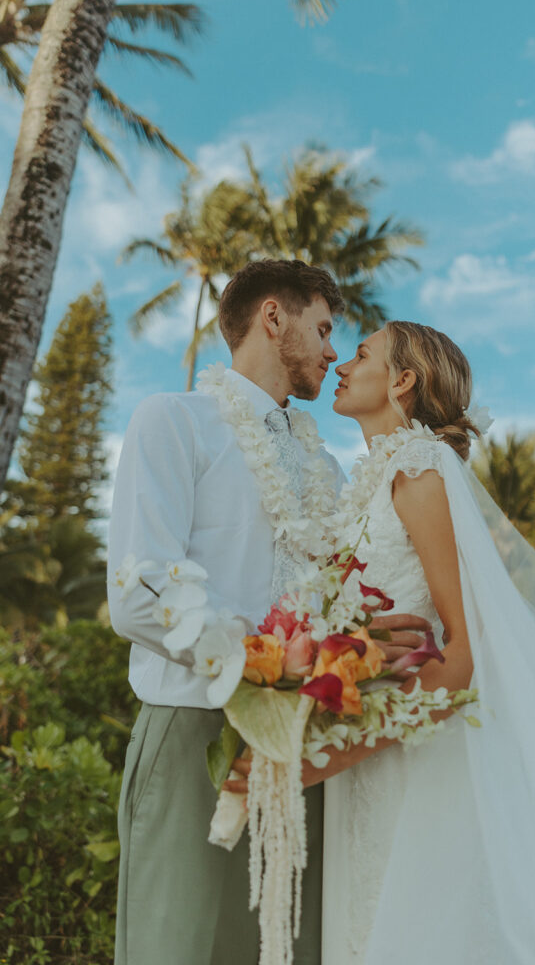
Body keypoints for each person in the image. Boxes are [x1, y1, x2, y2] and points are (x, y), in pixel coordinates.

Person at [231, 320, 535, 963]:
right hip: (369, 756)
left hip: (414, 765)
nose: (342, 365)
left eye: (360, 355)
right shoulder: (367, 485)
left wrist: (320, 760)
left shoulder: (420, 472)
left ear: (402, 381)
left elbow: (464, 655)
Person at [107, 263, 430, 965]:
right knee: (174, 944)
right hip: (193, 729)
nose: (331, 352)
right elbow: (138, 592)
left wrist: (352, 650)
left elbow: (333, 601)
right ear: (273, 318)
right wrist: (274, 660)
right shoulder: (173, 420)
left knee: (283, 948)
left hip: (302, 746)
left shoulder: (329, 470)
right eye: (321, 328)